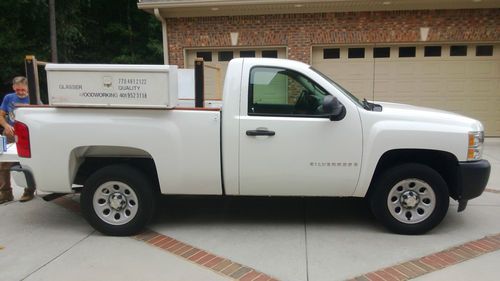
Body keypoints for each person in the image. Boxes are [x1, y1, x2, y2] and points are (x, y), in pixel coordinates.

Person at [0, 76, 34, 204]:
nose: (20, 92)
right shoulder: (8, 98)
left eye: (23, 90)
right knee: (3, 163)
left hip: (26, 135)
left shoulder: (34, 98)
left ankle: (29, 190)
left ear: (28, 89)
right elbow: (1, 115)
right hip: (9, 133)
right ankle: (5, 193)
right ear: (13, 88)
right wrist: (6, 125)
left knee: (26, 163)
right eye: (17, 89)